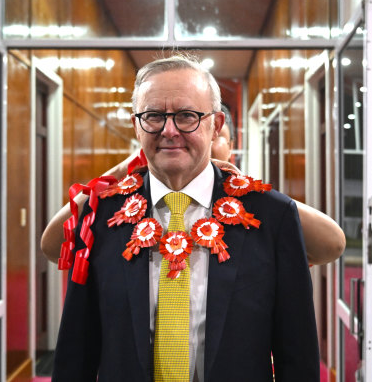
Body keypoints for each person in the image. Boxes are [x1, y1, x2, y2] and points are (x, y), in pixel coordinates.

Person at [52, 55, 319, 381]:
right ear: (137, 126)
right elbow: (76, 352)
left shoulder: (271, 216)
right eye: (153, 116)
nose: (169, 130)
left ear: (216, 125)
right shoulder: (101, 218)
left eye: (186, 116)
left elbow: (298, 354)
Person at [40, 107, 345, 267]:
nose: (182, 136)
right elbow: (54, 245)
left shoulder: (255, 208)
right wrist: (126, 167)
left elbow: (331, 244)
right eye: (162, 119)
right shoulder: (130, 205)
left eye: (200, 126)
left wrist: (249, 189)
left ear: (226, 141)